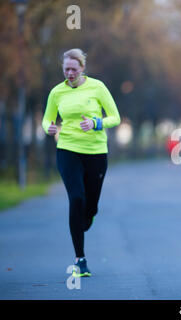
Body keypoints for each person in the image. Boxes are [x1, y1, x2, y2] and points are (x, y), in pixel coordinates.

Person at [42, 48, 121, 277]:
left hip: (96, 152)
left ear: (82, 68)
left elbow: (115, 117)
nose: (69, 73)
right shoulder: (57, 92)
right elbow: (47, 118)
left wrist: (97, 123)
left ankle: (90, 212)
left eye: (73, 69)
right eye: (66, 69)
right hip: (67, 149)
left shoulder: (97, 87)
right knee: (76, 198)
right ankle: (80, 259)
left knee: (89, 205)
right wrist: (48, 127)